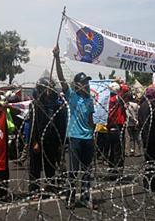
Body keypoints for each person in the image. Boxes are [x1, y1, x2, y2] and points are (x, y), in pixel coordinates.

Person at [53, 45, 96, 209]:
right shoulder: (72, 96)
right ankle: (70, 197)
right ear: (77, 85)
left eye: (87, 83)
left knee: (87, 171)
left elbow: (91, 120)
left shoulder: (89, 100)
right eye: (84, 83)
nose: (87, 85)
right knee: (73, 171)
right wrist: (57, 58)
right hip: (75, 139)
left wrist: (94, 136)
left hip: (88, 139)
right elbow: (61, 79)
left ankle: (85, 198)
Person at [28, 78, 67, 196]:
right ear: (41, 89)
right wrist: (34, 141)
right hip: (38, 140)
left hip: (52, 140)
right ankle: (34, 190)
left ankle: (50, 186)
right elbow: (33, 125)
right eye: (47, 88)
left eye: (51, 87)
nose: (50, 91)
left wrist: (61, 141)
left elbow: (61, 125)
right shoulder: (36, 105)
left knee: (50, 165)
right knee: (35, 167)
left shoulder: (57, 105)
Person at [106, 82, 127, 179]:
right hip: (118, 126)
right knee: (118, 150)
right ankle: (118, 172)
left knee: (111, 150)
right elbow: (125, 89)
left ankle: (111, 171)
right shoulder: (118, 98)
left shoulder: (107, 100)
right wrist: (121, 83)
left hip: (109, 127)